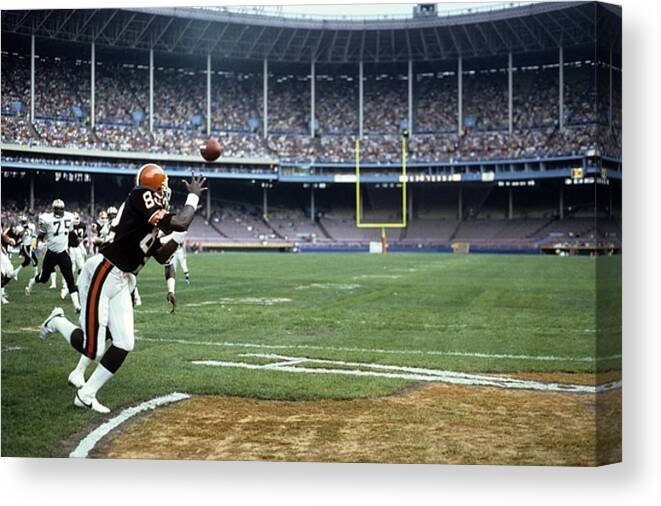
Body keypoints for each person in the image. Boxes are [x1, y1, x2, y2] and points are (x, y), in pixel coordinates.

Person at [39, 164, 206, 413]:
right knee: (93, 349)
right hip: (105, 271)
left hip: (123, 278)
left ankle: (86, 394)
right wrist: (192, 197)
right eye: (163, 186)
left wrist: (181, 232)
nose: (166, 191)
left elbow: (161, 255)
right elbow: (180, 222)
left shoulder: (150, 213)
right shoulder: (141, 195)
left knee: (124, 342)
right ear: (155, 186)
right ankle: (57, 321)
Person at [25, 199, 81, 313]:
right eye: (56, 208)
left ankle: (77, 306)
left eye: (61, 209)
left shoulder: (69, 217)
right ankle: (32, 282)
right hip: (51, 254)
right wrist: (40, 242)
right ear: (53, 209)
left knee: (70, 278)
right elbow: (42, 233)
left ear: (64, 209)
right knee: (44, 278)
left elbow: (71, 229)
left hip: (63, 253)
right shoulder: (47, 218)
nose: (59, 211)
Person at [60, 212, 87, 300]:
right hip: (71, 248)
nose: (75, 220)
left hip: (78, 247)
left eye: (77, 218)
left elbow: (83, 237)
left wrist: (83, 247)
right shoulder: (69, 226)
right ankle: (65, 287)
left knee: (82, 267)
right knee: (71, 269)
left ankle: (77, 284)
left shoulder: (82, 225)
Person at [11, 215, 39, 281]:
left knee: (27, 262)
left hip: (30, 245)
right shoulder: (19, 227)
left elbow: (34, 235)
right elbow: (19, 235)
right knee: (34, 259)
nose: (23, 222)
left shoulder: (32, 226)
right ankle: (36, 274)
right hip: (25, 246)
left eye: (24, 221)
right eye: (22, 221)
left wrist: (34, 244)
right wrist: (24, 229)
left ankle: (15, 272)